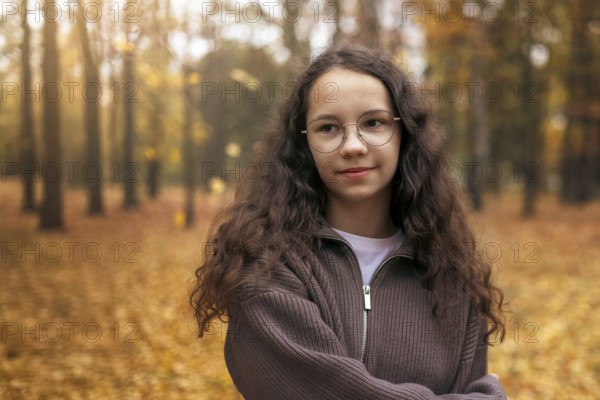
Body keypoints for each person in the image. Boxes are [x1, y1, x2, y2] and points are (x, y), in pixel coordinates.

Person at [190, 45, 507, 399]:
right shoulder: (266, 264)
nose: (353, 146)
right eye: (328, 127)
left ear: (404, 134)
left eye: (374, 123)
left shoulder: (449, 271)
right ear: (303, 143)